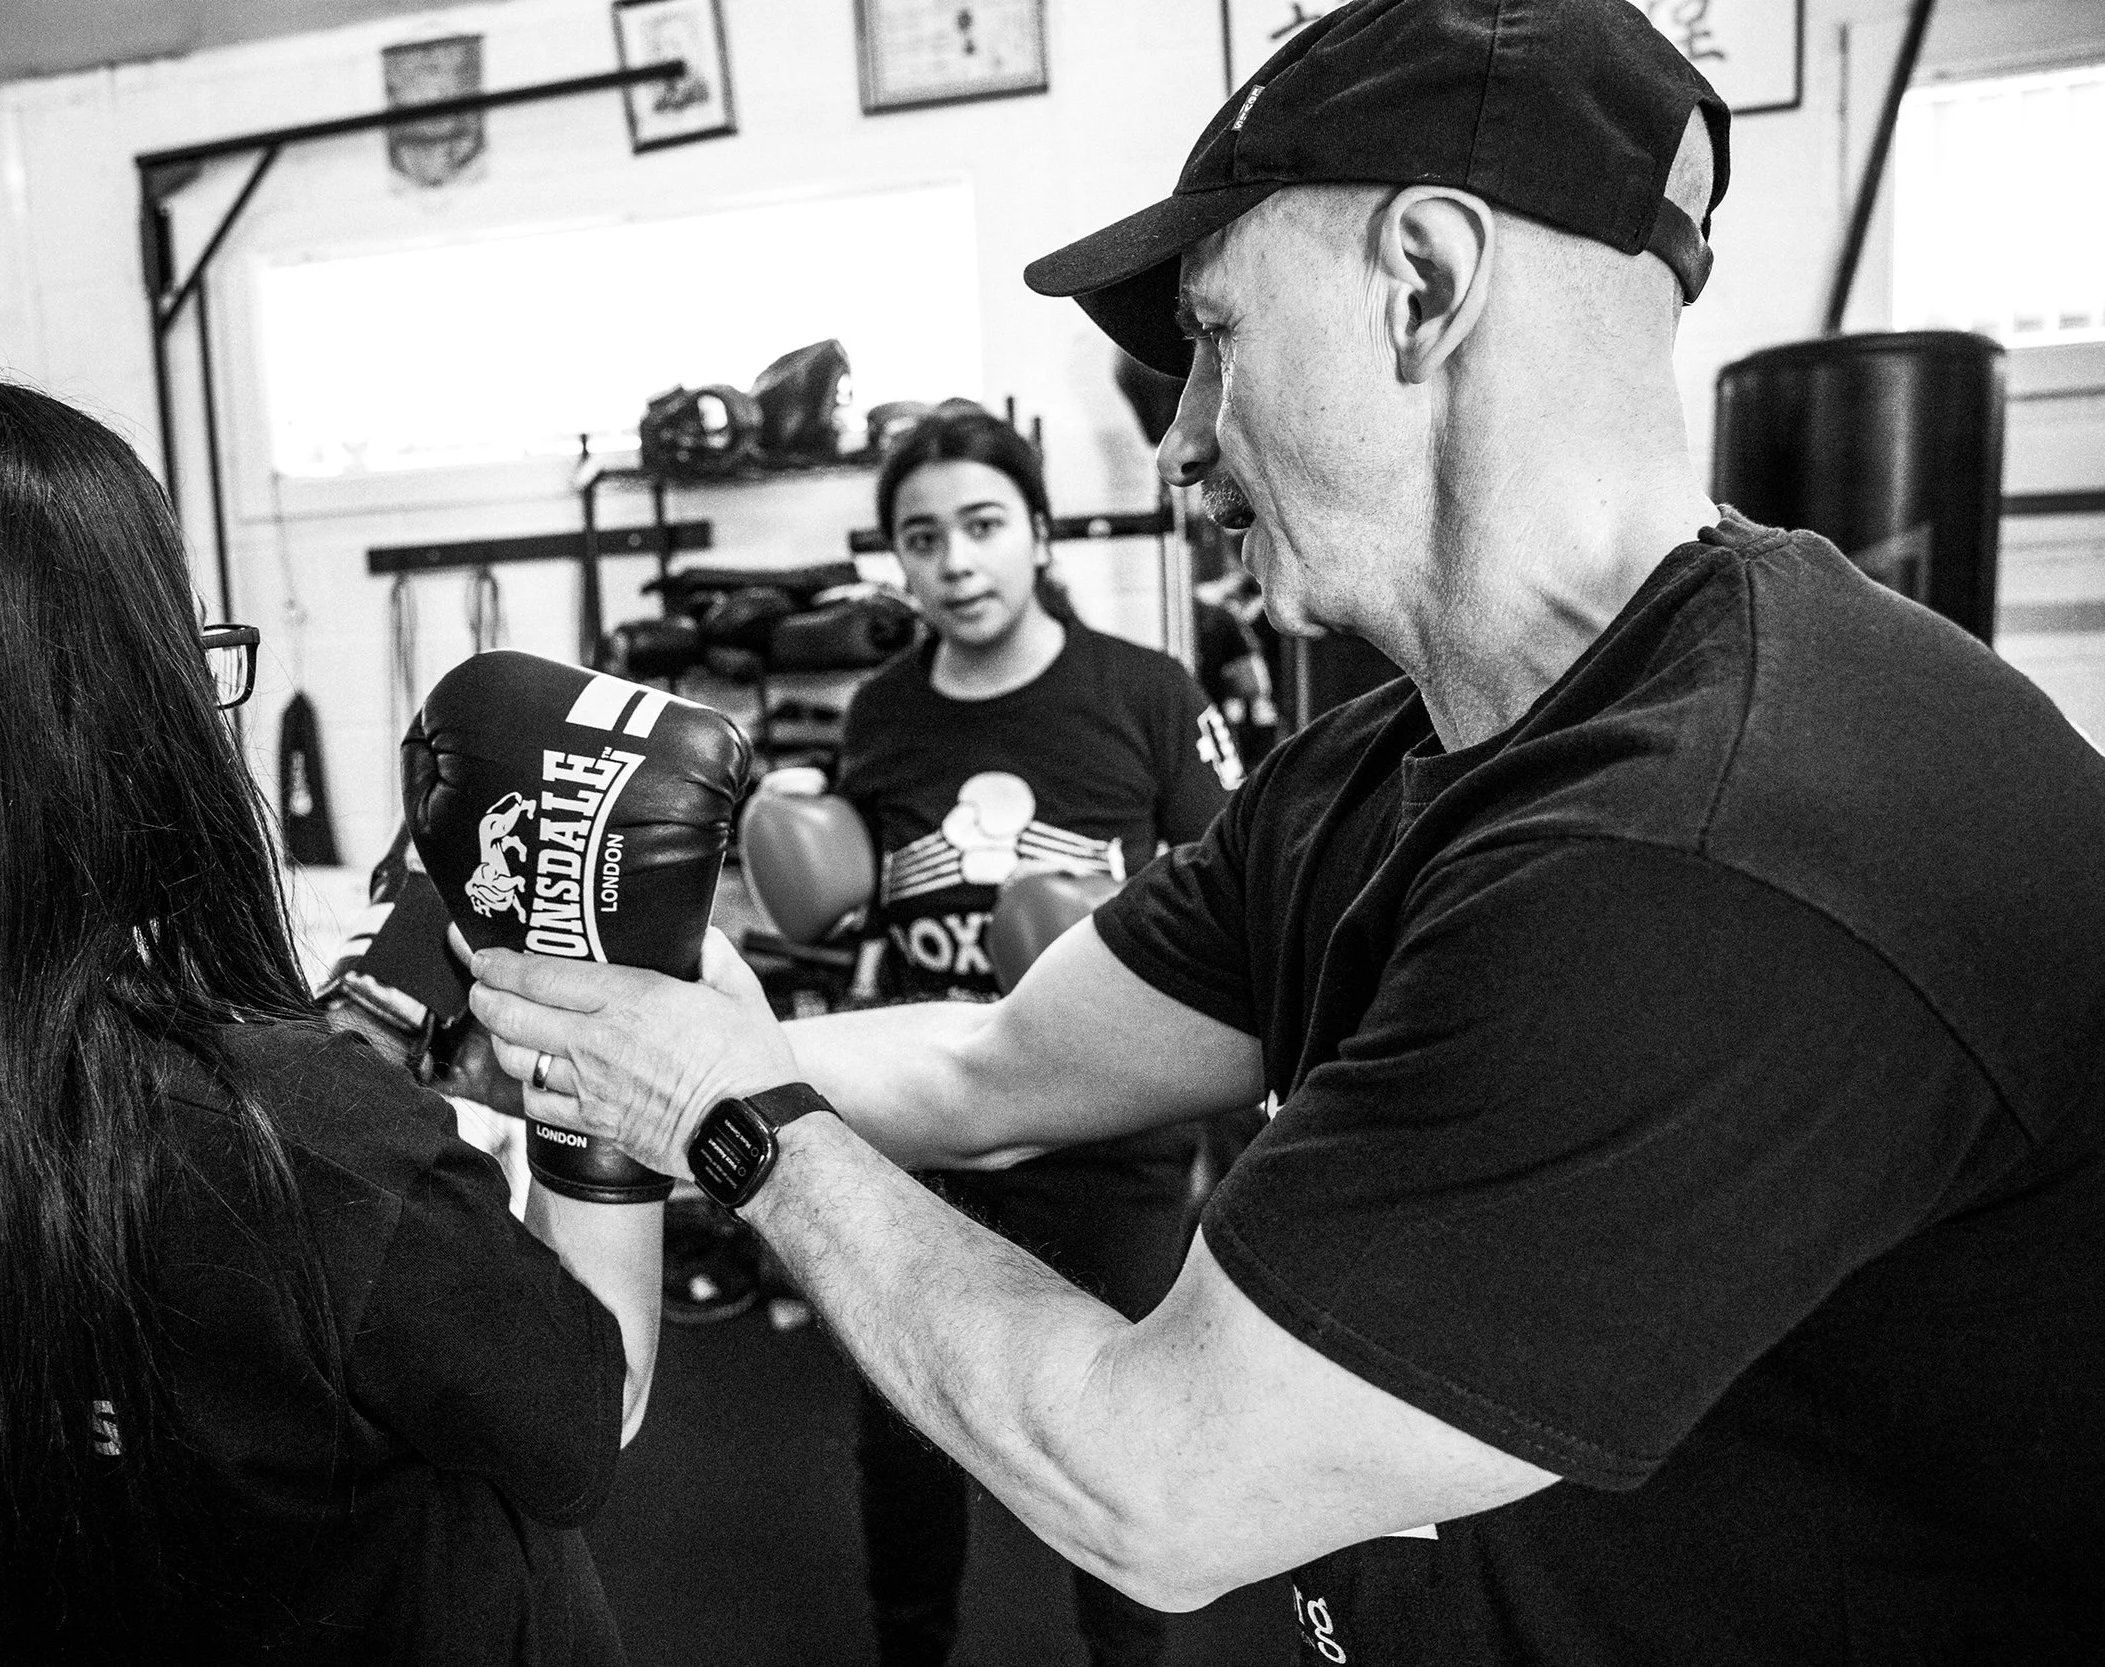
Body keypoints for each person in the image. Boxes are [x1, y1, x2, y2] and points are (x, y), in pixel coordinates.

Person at [458, 1, 2105, 1661]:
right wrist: (680, 1002)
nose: (1180, 437)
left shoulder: (1710, 848)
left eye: (1218, 338)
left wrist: (733, 1125)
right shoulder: (1367, 768)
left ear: (1424, 286)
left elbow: (1157, 1482)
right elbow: (997, 1066)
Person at [0, 366, 660, 1666]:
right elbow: (585, 1408)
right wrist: (607, 1062)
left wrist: (350, 1042)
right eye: (181, 656)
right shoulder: (297, 1148)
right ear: (87, 710)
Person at [834, 408, 1239, 1667]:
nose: (953, 561)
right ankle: (915, 1646)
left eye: (980, 525)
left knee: (1111, 1442)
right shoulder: (880, 714)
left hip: (1104, 1126)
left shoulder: (1146, 693)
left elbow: (1232, 898)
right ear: (897, 560)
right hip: (923, 1138)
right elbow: (854, 897)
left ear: (1037, 533)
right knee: (902, 1424)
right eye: (920, 536)